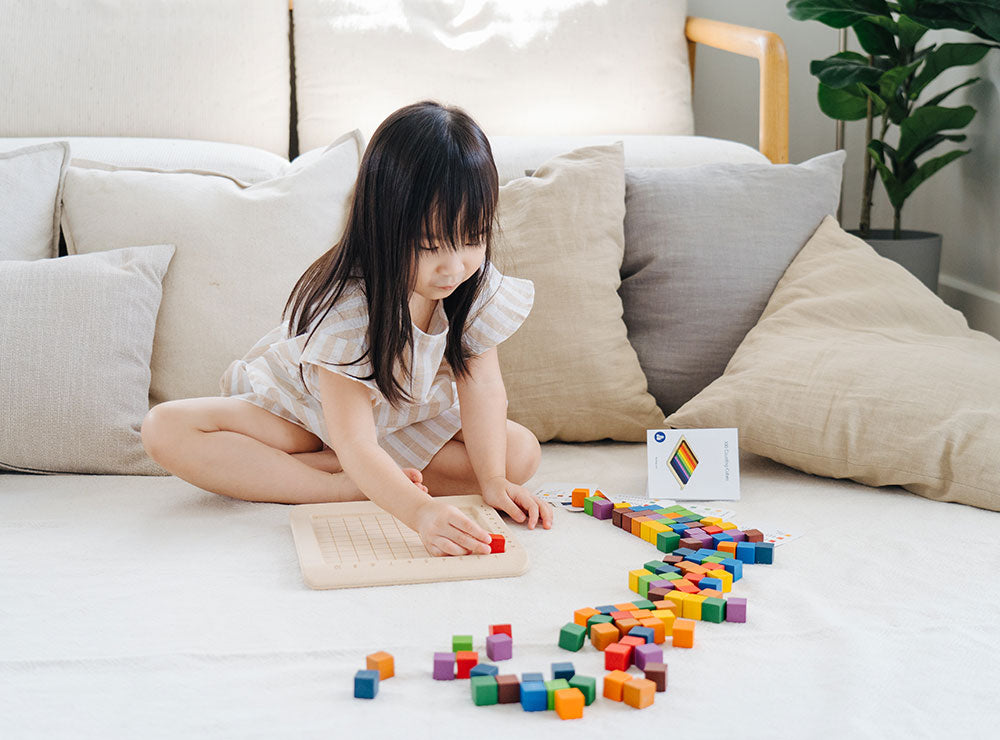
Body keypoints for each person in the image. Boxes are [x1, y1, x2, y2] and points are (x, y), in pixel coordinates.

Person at [141, 100, 553, 556]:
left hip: (393, 424)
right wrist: (417, 510)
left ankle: (354, 471)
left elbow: (485, 389)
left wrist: (493, 479)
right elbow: (354, 439)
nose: (453, 267)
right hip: (306, 417)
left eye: (472, 239)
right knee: (164, 428)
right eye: (429, 245)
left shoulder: (471, 284)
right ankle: (339, 484)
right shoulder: (349, 307)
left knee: (520, 454)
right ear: (382, 227)